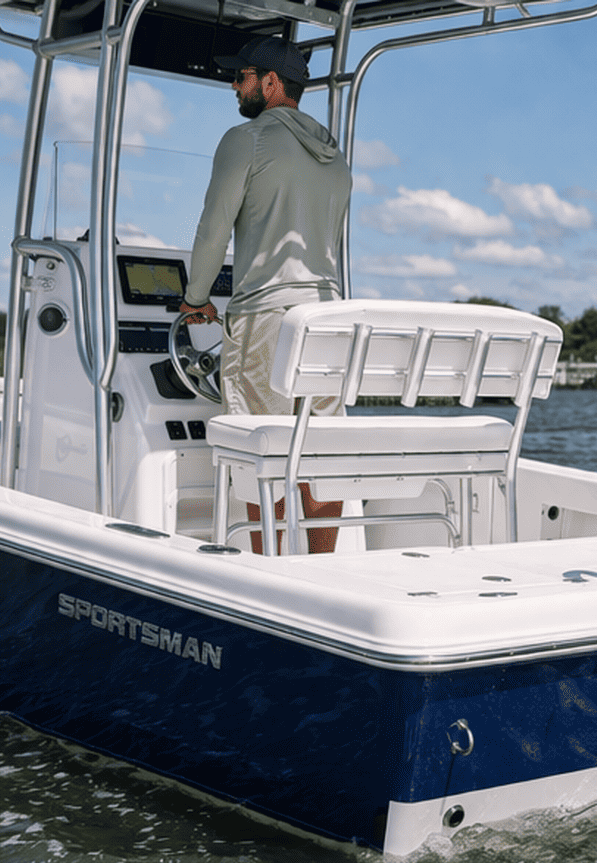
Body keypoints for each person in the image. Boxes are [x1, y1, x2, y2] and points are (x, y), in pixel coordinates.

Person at [178, 36, 353, 554]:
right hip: (328, 321)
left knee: (263, 451)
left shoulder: (246, 139)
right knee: (320, 455)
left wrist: (195, 298)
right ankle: (318, 569)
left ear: (271, 83)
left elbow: (213, 230)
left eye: (242, 77)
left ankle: (269, 574)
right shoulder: (334, 155)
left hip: (267, 318)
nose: (234, 87)